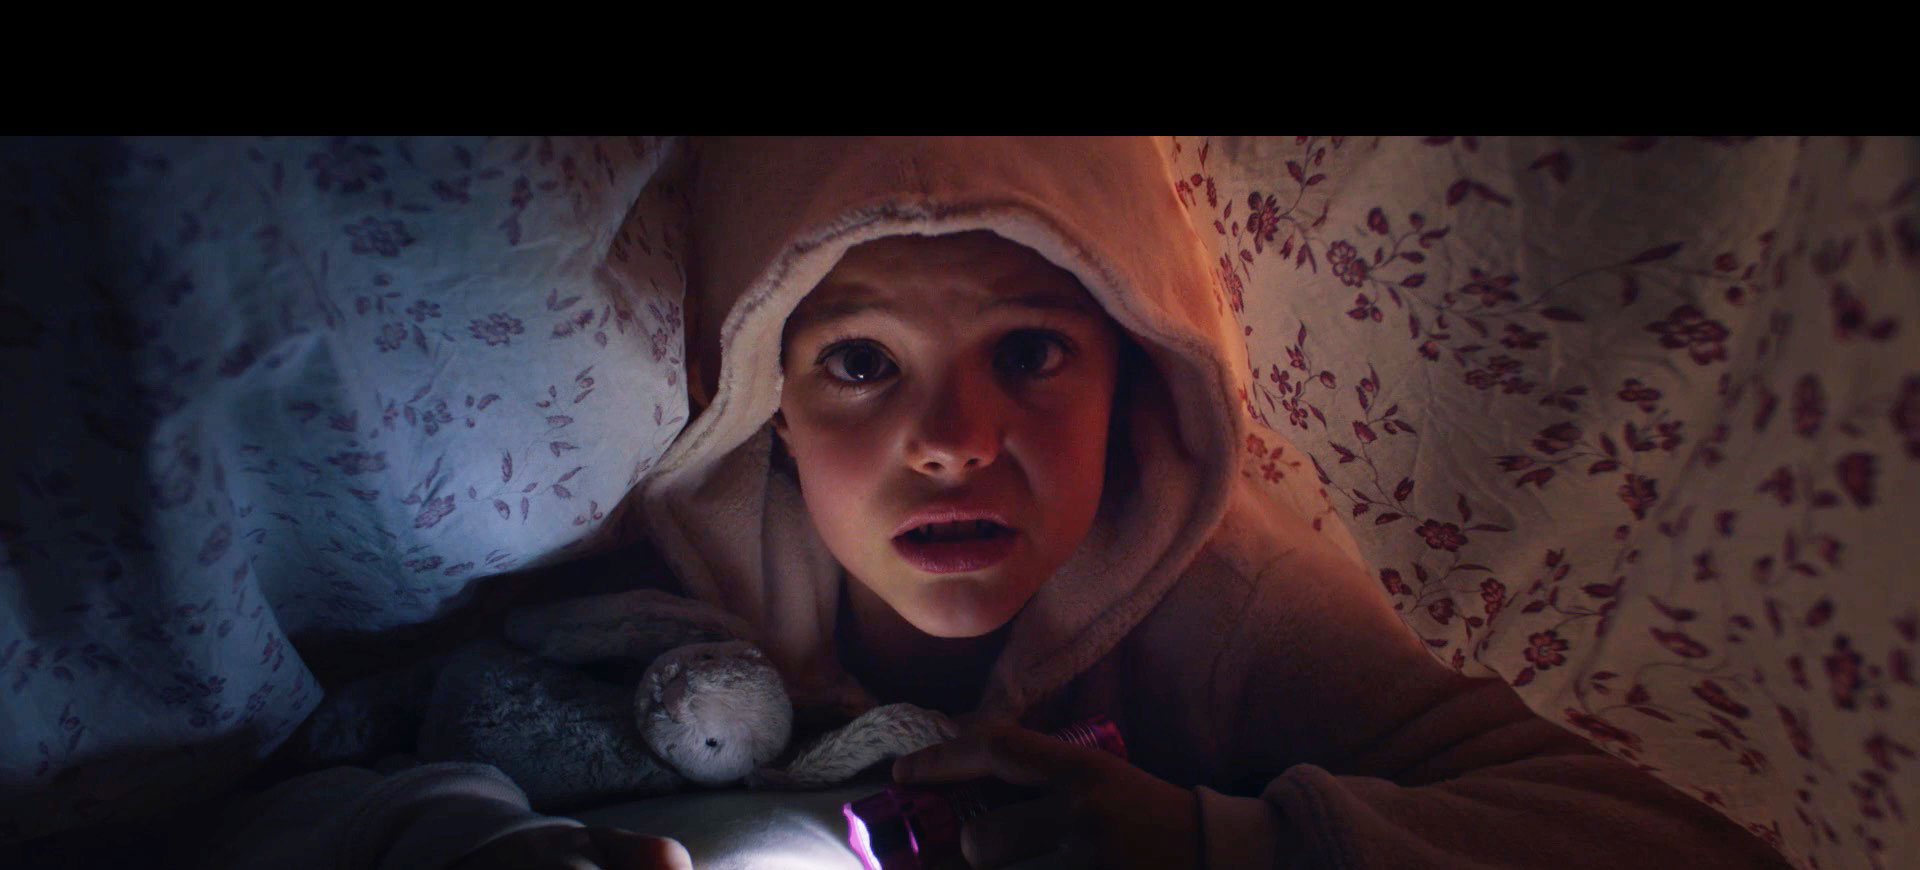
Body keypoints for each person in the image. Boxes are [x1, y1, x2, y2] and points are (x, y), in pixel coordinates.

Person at [631, 136, 1794, 868]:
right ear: (767, 404)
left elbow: (1686, 840)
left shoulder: (1230, 602)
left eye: (1029, 352)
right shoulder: (664, 581)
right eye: (860, 363)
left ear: (1133, 378)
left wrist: (1221, 841)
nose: (954, 442)